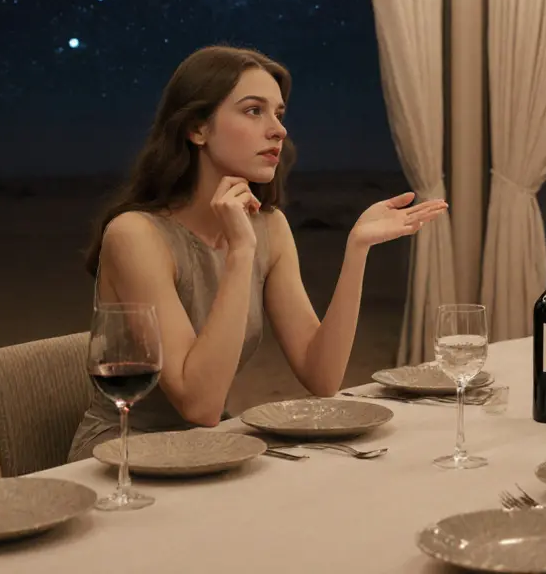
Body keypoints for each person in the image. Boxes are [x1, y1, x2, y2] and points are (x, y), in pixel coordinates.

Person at [68, 45, 447, 461]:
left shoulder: (270, 227)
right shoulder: (135, 235)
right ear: (197, 129)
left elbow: (322, 376)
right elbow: (199, 404)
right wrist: (240, 253)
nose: (278, 130)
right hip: (122, 457)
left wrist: (357, 249)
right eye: (253, 111)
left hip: (204, 450)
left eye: (279, 115)